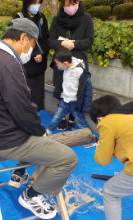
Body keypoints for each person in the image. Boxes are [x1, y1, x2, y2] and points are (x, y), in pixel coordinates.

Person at [0, 18, 78, 220]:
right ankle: (31, 195)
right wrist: (41, 130)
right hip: (6, 139)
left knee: (38, 135)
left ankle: (19, 173)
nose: (32, 51)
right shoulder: (8, 64)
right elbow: (22, 108)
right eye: (32, 45)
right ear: (23, 37)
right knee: (68, 159)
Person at [49, 0, 94, 130]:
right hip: (61, 60)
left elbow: (90, 40)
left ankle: (73, 118)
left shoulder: (86, 18)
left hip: (78, 61)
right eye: (67, 5)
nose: (70, 7)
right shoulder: (57, 19)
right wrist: (62, 43)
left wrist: (74, 44)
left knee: (77, 90)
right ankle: (62, 117)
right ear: (62, 5)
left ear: (78, 3)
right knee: (60, 88)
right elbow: (50, 40)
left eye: (72, 4)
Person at [46, 47, 92, 135]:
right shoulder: (65, 67)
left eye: (58, 64)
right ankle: (49, 131)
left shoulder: (80, 71)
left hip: (75, 104)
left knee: (82, 123)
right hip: (65, 101)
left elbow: (88, 91)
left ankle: (92, 138)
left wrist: (86, 107)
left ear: (65, 63)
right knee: (56, 118)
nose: (57, 66)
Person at [14, 0, 49, 111]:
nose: (36, 5)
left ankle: (36, 113)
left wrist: (42, 54)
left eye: (39, 2)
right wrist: (33, 53)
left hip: (39, 62)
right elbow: (17, 39)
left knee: (38, 93)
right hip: (26, 61)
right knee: (25, 91)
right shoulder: (19, 17)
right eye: (34, 2)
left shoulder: (42, 18)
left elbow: (46, 38)